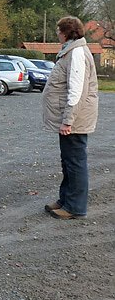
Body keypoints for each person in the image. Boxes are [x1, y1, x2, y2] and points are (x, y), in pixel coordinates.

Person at [42, 16, 98, 220]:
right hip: (71, 118)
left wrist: (68, 120)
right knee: (68, 161)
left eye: (59, 30)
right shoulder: (70, 51)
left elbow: (77, 90)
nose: (57, 34)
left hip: (75, 119)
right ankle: (65, 199)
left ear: (66, 32)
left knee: (74, 162)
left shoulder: (76, 53)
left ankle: (75, 207)